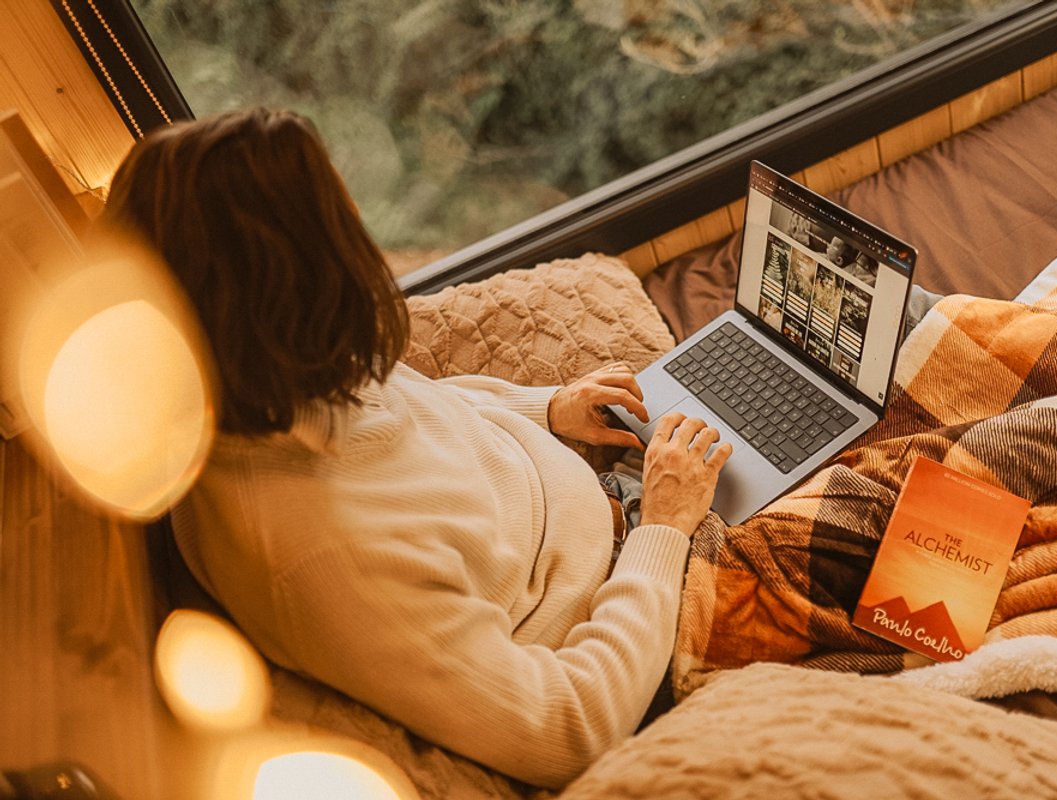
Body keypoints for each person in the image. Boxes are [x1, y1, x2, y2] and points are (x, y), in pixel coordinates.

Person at [99, 108, 731, 789]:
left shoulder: (272, 370)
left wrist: (550, 408)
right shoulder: (324, 555)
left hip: (619, 519)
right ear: (293, 268)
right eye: (335, 213)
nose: (359, 227)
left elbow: (418, 414)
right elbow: (570, 725)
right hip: (635, 602)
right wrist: (665, 528)